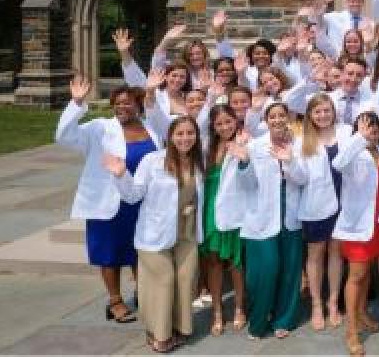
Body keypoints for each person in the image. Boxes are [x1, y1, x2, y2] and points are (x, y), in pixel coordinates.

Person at [56, 76, 158, 326]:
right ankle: (115, 302)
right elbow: (63, 136)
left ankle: (142, 292)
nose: (122, 108)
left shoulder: (151, 129)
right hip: (108, 202)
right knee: (109, 253)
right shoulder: (99, 128)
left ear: (139, 104)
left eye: (128, 103)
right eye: (118, 104)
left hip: (141, 201)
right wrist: (77, 102)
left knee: (139, 250)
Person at [108, 115, 205, 353]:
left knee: (185, 281)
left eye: (190, 133)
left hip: (187, 233)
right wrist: (121, 175)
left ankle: (180, 328)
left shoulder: (197, 162)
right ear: (170, 137)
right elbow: (133, 195)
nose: (185, 138)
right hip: (155, 233)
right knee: (163, 281)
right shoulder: (152, 161)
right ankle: (160, 335)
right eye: (180, 133)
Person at [225, 102, 305, 340]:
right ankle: (258, 322)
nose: (278, 120)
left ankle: (284, 319)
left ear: (288, 118)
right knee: (263, 272)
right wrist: (244, 162)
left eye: (282, 116)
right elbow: (246, 185)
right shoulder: (254, 146)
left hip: (290, 216)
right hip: (260, 216)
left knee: (290, 271)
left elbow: (303, 179)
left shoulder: (298, 145)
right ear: (266, 121)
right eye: (273, 117)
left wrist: (289, 161)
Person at [331, 111, 379, 355]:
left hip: (378, 223)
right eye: (364, 128)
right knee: (356, 275)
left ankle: (362, 313)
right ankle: (352, 331)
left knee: (366, 272)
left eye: (373, 128)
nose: (370, 132)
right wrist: (359, 138)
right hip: (358, 225)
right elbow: (338, 163)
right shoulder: (353, 153)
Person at [294, 94, 353, 331]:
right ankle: (317, 304)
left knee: (336, 253)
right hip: (316, 205)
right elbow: (299, 178)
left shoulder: (346, 132)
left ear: (333, 111)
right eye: (317, 111)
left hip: (344, 201)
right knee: (315, 255)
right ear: (310, 115)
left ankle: (332, 303)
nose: (322, 115)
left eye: (326, 110)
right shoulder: (302, 140)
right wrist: (288, 163)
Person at [200, 105, 247, 335]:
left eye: (228, 121)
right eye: (219, 124)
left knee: (236, 263)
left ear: (236, 121)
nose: (225, 127)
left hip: (235, 211)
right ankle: (217, 311)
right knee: (214, 262)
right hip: (209, 211)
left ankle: (239, 307)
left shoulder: (245, 143)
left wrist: (242, 150)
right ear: (213, 126)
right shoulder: (207, 148)